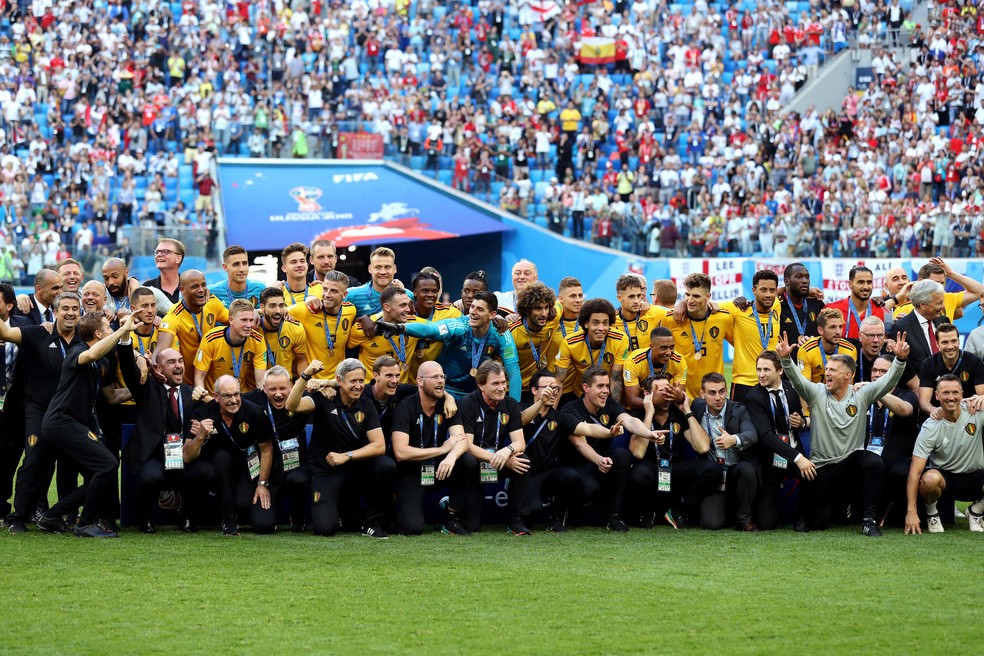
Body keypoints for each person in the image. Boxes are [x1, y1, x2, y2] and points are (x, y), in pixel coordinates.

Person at [777, 330, 911, 536]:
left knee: (873, 462)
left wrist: (900, 360)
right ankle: (808, 514)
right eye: (827, 369)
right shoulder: (817, 393)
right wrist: (786, 359)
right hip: (823, 466)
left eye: (833, 370)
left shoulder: (861, 394)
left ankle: (869, 521)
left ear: (847, 375)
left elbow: (887, 383)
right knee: (818, 523)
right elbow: (797, 381)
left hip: (851, 463)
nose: (827, 373)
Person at [35, 312, 139, 538]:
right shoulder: (78, 351)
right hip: (61, 422)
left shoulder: (101, 362)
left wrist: (143, 388)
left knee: (99, 473)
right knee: (107, 464)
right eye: (109, 330)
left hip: (73, 423)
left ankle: (53, 516)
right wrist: (123, 330)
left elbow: (111, 396)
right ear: (99, 333)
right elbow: (91, 354)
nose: (112, 332)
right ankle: (85, 523)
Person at [286, 358, 396, 538]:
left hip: (355, 469)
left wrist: (347, 455)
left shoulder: (367, 404)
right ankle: (338, 513)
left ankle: (372, 522)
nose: (358, 386)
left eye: (361, 381)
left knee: (386, 465)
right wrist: (306, 375)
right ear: (339, 381)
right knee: (325, 529)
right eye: (353, 381)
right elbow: (291, 405)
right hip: (326, 471)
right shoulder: (324, 397)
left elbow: (379, 446)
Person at [4, 292, 84, 533]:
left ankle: (62, 515)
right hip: (39, 410)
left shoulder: (86, 338)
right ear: (56, 312)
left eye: (74, 309)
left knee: (70, 464)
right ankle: (18, 517)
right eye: (65, 308)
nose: (70, 313)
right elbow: (5, 333)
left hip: (70, 413)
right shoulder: (40, 333)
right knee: (34, 461)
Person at [558, 365, 669, 532]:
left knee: (622, 455)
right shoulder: (569, 409)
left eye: (607, 386)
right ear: (586, 388)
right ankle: (566, 512)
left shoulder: (610, 405)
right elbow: (584, 435)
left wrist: (649, 434)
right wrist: (608, 435)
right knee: (589, 488)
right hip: (577, 467)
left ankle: (614, 516)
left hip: (602, 464)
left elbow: (629, 421)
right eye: (600, 386)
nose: (605, 391)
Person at [118, 344, 210, 534]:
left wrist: (198, 427)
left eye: (180, 361)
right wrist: (128, 340)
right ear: (158, 368)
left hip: (180, 456)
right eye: (171, 362)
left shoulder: (190, 393)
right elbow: (127, 365)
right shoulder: (146, 387)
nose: (179, 366)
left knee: (206, 471)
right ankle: (145, 518)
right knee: (151, 476)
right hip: (153, 456)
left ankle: (188, 515)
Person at [377, 290, 521, 400]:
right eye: (472, 307)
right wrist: (400, 328)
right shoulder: (459, 326)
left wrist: (515, 410)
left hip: (477, 394)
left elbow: (513, 373)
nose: (473, 312)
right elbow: (430, 329)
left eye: (480, 309)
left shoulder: (500, 333)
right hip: (446, 391)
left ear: (492, 315)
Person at [390, 360, 474, 535]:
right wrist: (442, 451)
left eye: (442, 376)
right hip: (411, 471)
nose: (441, 381)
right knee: (411, 528)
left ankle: (452, 514)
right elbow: (400, 452)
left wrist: (450, 457)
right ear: (420, 381)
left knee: (466, 460)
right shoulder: (405, 407)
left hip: (439, 469)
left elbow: (462, 440)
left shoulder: (448, 405)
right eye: (435, 377)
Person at [187, 375, 275, 536]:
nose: (233, 400)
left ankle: (231, 508)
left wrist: (262, 483)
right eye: (227, 396)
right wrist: (200, 436)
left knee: (241, 503)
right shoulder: (202, 413)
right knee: (221, 458)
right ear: (215, 396)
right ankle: (228, 521)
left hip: (245, 467)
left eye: (236, 394)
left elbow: (266, 449)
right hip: (213, 469)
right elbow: (186, 457)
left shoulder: (254, 413)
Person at [628, 377, 717, 529]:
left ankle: (678, 505)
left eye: (670, 391)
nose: (667, 396)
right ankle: (652, 509)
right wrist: (649, 414)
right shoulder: (638, 415)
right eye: (662, 391)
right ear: (647, 394)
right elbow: (638, 452)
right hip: (652, 469)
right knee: (639, 474)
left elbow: (703, 447)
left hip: (675, 469)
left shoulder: (678, 413)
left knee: (712, 470)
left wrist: (687, 411)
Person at [457, 360, 530, 534]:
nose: (501, 387)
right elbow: (467, 446)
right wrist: (498, 459)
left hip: (498, 459)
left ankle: (516, 520)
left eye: (504, 382)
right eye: (495, 383)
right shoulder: (467, 404)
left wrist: (507, 451)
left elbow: (520, 443)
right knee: (472, 527)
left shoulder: (510, 404)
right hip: (475, 463)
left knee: (523, 461)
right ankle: (454, 509)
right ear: (481, 385)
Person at [905, 375, 984, 535]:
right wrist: (911, 511)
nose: (951, 397)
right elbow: (915, 472)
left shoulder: (975, 411)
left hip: (976, 476)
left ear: (962, 394)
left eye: (955, 392)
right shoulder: (930, 427)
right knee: (929, 479)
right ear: (937, 396)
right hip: (945, 480)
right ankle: (932, 514)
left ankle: (976, 511)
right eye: (946, 393)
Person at [744, 351, 814, 531]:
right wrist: (799, 458)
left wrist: (801, 423)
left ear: (780, 371)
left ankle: (803, 516)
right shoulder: (754, 397)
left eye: (766, 369)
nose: (761, 374)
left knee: (812, 474)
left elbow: (798, 419)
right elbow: (766, 436)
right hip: (770, 460)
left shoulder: (791, 389)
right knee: (767, 524)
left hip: (791, 451)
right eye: (758, 369)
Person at [243, 366, 313, 532]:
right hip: (269, 470)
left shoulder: (303, 398)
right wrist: (203, 395)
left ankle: (298, 516)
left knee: (299, 480)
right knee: (262, 526)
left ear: (290, 385)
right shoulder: (254, 399)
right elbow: (228, 400)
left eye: (282, 388)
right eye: (272, 389)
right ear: (264, 388)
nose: (278, 394)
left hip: (297, 466)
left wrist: (327, 387)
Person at [690, 373, 761, 531]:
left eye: (722, 392)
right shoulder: (697, 407)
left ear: (727, 391)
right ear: (702, 394)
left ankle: (744, 520)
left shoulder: (739, 410)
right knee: (711, 523)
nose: (718, 398)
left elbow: (752, 435)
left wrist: (733, 440)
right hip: (714, 476)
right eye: (712, 393)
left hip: (735, 471)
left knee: (746, 469)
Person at [659, 272, 734, 399]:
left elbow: (739, 344)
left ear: (708, 297)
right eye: (687, 295)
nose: (690, 300)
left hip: (712, 396)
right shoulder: (671, 319)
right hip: (681, 395)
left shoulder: (723, 318)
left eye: (696, 296)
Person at [157, 270, 230, 384]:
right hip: (187, 384)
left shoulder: (213, 302)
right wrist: (152, 365)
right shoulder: (174, 316)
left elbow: (236, 321)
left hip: (213, 382)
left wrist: (255, 313)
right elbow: (160, 351)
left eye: (203, 285)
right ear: (182, 290)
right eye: (195, 286)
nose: (201, 290)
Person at [554, 298, 630, 402]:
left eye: (605, 323)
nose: (601, 328)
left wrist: (613, 409)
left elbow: (615, 378)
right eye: (595, 323)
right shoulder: (570, 343)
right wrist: (550, 412)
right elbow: (559, 380)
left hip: (605, 396)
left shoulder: (621, 339)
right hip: (580, 396)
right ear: (586, 324)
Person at [720, 270, 780, 402]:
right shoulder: (739, 308)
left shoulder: (776, 306)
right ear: (754, 290)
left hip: (771, 381)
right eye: (763, 290)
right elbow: (708, 306)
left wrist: (811, 291)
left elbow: (785, 290)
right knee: (740, 422)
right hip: (744, 383)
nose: (768, 295)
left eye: (772, 290)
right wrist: (684, 305)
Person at [0, 283, 32, 521]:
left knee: (10, 459)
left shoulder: (24, 325)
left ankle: (3, 507)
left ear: (9, 306)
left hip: (16, 406)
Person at [287, 270, 356, 381]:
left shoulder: (350, 311)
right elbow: (278, 311)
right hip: (312, 382)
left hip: (338, 382)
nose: (327, 295)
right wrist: (257, 313)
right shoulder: (307, 310)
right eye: (325, 289)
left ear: (344, 295)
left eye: (333, 291)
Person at [193, 299, 267, 393]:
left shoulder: (258, 340)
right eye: (244, 320)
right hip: (214, 397)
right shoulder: (211, 339)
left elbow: (260, 381)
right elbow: (199, 377)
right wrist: (204, 398)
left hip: (241, 396)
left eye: (251, 320)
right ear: (231, 320)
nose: (249, 325)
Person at [348, 286, 420, 380]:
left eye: (408, 304)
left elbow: (435, 327)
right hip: (371, 390)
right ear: (387, 307)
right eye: (402, 305)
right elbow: (344, 344)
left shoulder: (414, 325)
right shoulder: (364, 329)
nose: (408, 309)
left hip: (401, 390)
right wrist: (360, 319)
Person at [917, 322, 984, 417]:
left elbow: (981, 395)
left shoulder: (974, 361)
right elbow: (924, 402)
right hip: (939, 418)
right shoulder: (928, 364)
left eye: (953, 341)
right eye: (945, 342)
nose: (950, 346)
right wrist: (934, 411)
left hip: (969, 415)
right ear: (937, 344)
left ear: (959, 341)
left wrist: (979, 399)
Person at [509, 282, 563, 397]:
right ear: (527, 310)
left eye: (546, 307)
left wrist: (553, 306)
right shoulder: (512, 331)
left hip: (535, 387)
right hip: (510, 389)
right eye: (538, 308)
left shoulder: (552, 318)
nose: (544, 313)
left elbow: (560, 305)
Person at [622, 326, 687, 413]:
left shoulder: (678, 361)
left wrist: (679, 396)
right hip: (640, 409)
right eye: (663, 348)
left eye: (671, 347)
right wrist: (655, 401)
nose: (668, 352)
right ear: (651, 346)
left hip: (666, 407)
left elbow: (681, 397)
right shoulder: (634, 361)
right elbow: (632, 401)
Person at [409, 271, 461, 378]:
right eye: (425, 291)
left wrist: (496, 317)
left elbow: (469, 322)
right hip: (406, 380)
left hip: (434, 381)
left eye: (434, 291)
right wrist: (365, 317)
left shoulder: (449, 313)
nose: (430, 295)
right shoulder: (404, 311)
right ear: (415, 292)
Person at [825, 265, 890, 340]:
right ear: (850, 284)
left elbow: (886, 341)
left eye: (869, 282)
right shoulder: (831, 310)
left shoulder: (881, 311)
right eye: (860, 282)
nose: (866, 287)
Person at [893, 279, 948, 367]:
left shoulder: (944, 321)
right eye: (939, 303)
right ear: (923, 305)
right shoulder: (901, 327)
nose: (943, 306)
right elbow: (903, 365)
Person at [346, 247, 413, 317]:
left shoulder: (408, 295)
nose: (383, 272)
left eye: (387, 267)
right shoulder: (351, 295)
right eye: (378, 267)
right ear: (370, 269)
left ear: (394, 269)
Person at [797, 308, 858, 384]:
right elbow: (804, 390)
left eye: (840, 327)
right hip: (814, 394)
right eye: (832, 327)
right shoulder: (807, 350)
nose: (838, 332)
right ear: (820, 330)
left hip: (838, 394)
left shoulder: (850, 350)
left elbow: (848, 387)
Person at [258, 287, 308, 378]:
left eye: (281, 306)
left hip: (285, 387)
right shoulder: (252, 329)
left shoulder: (295, 328)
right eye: (272, 306)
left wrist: (305, 382)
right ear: (262, 307)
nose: (278, 311)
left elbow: (301, 360)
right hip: (257, 387)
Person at [613, 273, 667, 351]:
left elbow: (678, 313)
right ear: (619, 298)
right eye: (631, 297)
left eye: (638, 296)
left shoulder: (653, 313)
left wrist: (682, 305)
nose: (636, 301)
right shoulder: (611, 322)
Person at [778, 263, 824, 346]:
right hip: (785, 358)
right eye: (799, 277)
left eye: (807, 277)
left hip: (813, 358)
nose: (805, 281)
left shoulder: (816, 303)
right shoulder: (777, 305)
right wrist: (784, 288)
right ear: (786, 281)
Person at [142, 238, 184, 304]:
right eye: (157, 252)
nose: (159, 255)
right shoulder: (147, 288)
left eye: (165, 252)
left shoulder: (189, 287)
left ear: (178, 258)